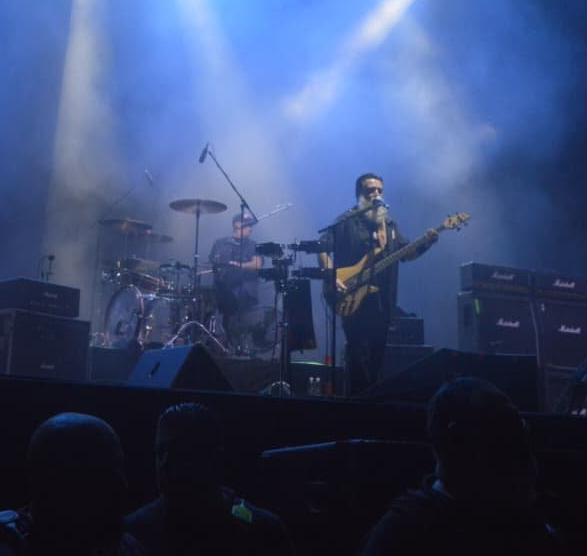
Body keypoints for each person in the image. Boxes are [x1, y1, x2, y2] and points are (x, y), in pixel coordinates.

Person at [363, 378, 563, 555]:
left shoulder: (401, 532)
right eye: (500, 435)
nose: (516, 449)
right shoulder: (402, 535)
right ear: (460, 443)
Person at [318, 173, 437, 397]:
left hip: (382, 301)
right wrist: (330, 276)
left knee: (376, 356)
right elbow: (323, 245)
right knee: (358, 353)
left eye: (379, 190)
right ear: (359, 195)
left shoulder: (389, 225)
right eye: (370, 190)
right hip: (352, 295)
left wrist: (427, 242)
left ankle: (371, 402)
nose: (376, 194)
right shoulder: (346, 221)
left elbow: (406, 254)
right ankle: (356, 405)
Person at [125, 402, 293, 556]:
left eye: (179, 452)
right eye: (160, 452)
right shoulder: (133, 533)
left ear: (211, 457)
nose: (165, 463)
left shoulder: (262, 530)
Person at [0, 413, 143, 556]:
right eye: (101, 477)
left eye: (119, 470)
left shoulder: (127, 547)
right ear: (49, 485)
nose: (122, 486)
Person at [208, 214, 265, 355]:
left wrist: (240, 265)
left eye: (252, 225)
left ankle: (237, 346)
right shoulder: (220, 243)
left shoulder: (253, 245)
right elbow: (213, 263)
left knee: (236, 314)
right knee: (207, 301)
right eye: (247, 224)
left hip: (244, 291)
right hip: (222, 290)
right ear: (236, 225)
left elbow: (258, 264)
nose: (251, 228)